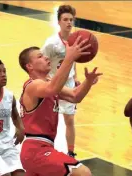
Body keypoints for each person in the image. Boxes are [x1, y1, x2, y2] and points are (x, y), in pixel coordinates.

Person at [19, 36, 102, 176]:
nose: (45, 57)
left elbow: (75, 96)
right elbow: (52, 89)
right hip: (36, 149)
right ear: (29, 66)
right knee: (83, 175)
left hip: (41, 148)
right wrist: (69, 58)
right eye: (40, 56)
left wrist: (88, 82)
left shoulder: (47, 83)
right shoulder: (32, 85)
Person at [41, 4, 80, 157]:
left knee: (69, 120)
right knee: (50, 120)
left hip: (68, 84)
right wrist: (46, 80)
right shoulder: (51, 43)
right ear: (58, 22)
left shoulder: (75, 40)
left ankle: (71, 152)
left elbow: (73, 60)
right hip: (52, 83)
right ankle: (47, 149)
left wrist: (76, 77)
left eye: (71, 20)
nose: (69, 23)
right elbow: (42, 62)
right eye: (65, 19)